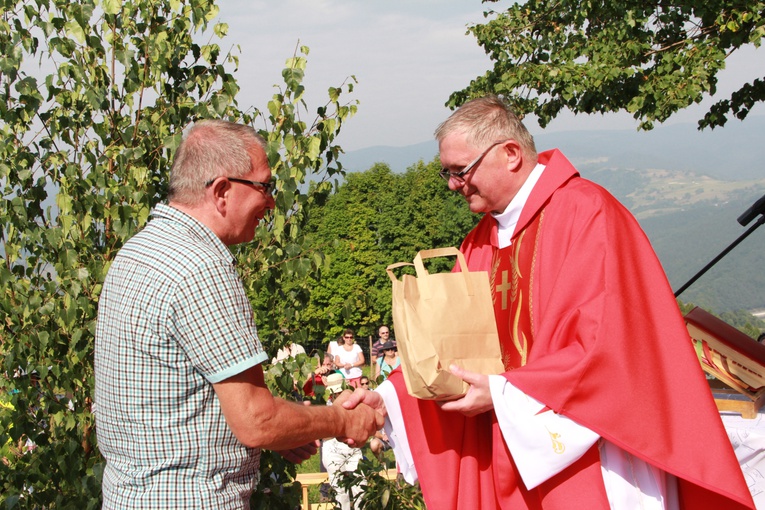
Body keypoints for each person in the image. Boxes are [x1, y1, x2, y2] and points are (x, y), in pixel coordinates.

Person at [344, 96, 755, 510]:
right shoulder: (479, 242)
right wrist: (391, 398)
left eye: (461, 170)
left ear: (510, 154)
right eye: (446, 172)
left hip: (594, 453)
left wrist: (504, 393)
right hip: (511, 451)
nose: (453, 184)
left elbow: (610, 350)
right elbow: (451, 347)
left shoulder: (587, 213)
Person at [94, 119, 382, 509]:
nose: (271, 202)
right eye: (264, 186)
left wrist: (288, 429)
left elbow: (181, 401)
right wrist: (341, 420)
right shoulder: (201, 266)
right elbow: (256, 421)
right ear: (222, 191)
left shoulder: (138, 252)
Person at [321, 373, 364, 510]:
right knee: (340, 491)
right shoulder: (324, 405)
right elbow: (324, 435)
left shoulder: (353, 403)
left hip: (351, 447)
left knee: (361, 486)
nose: (338, 393)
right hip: (332, 448)